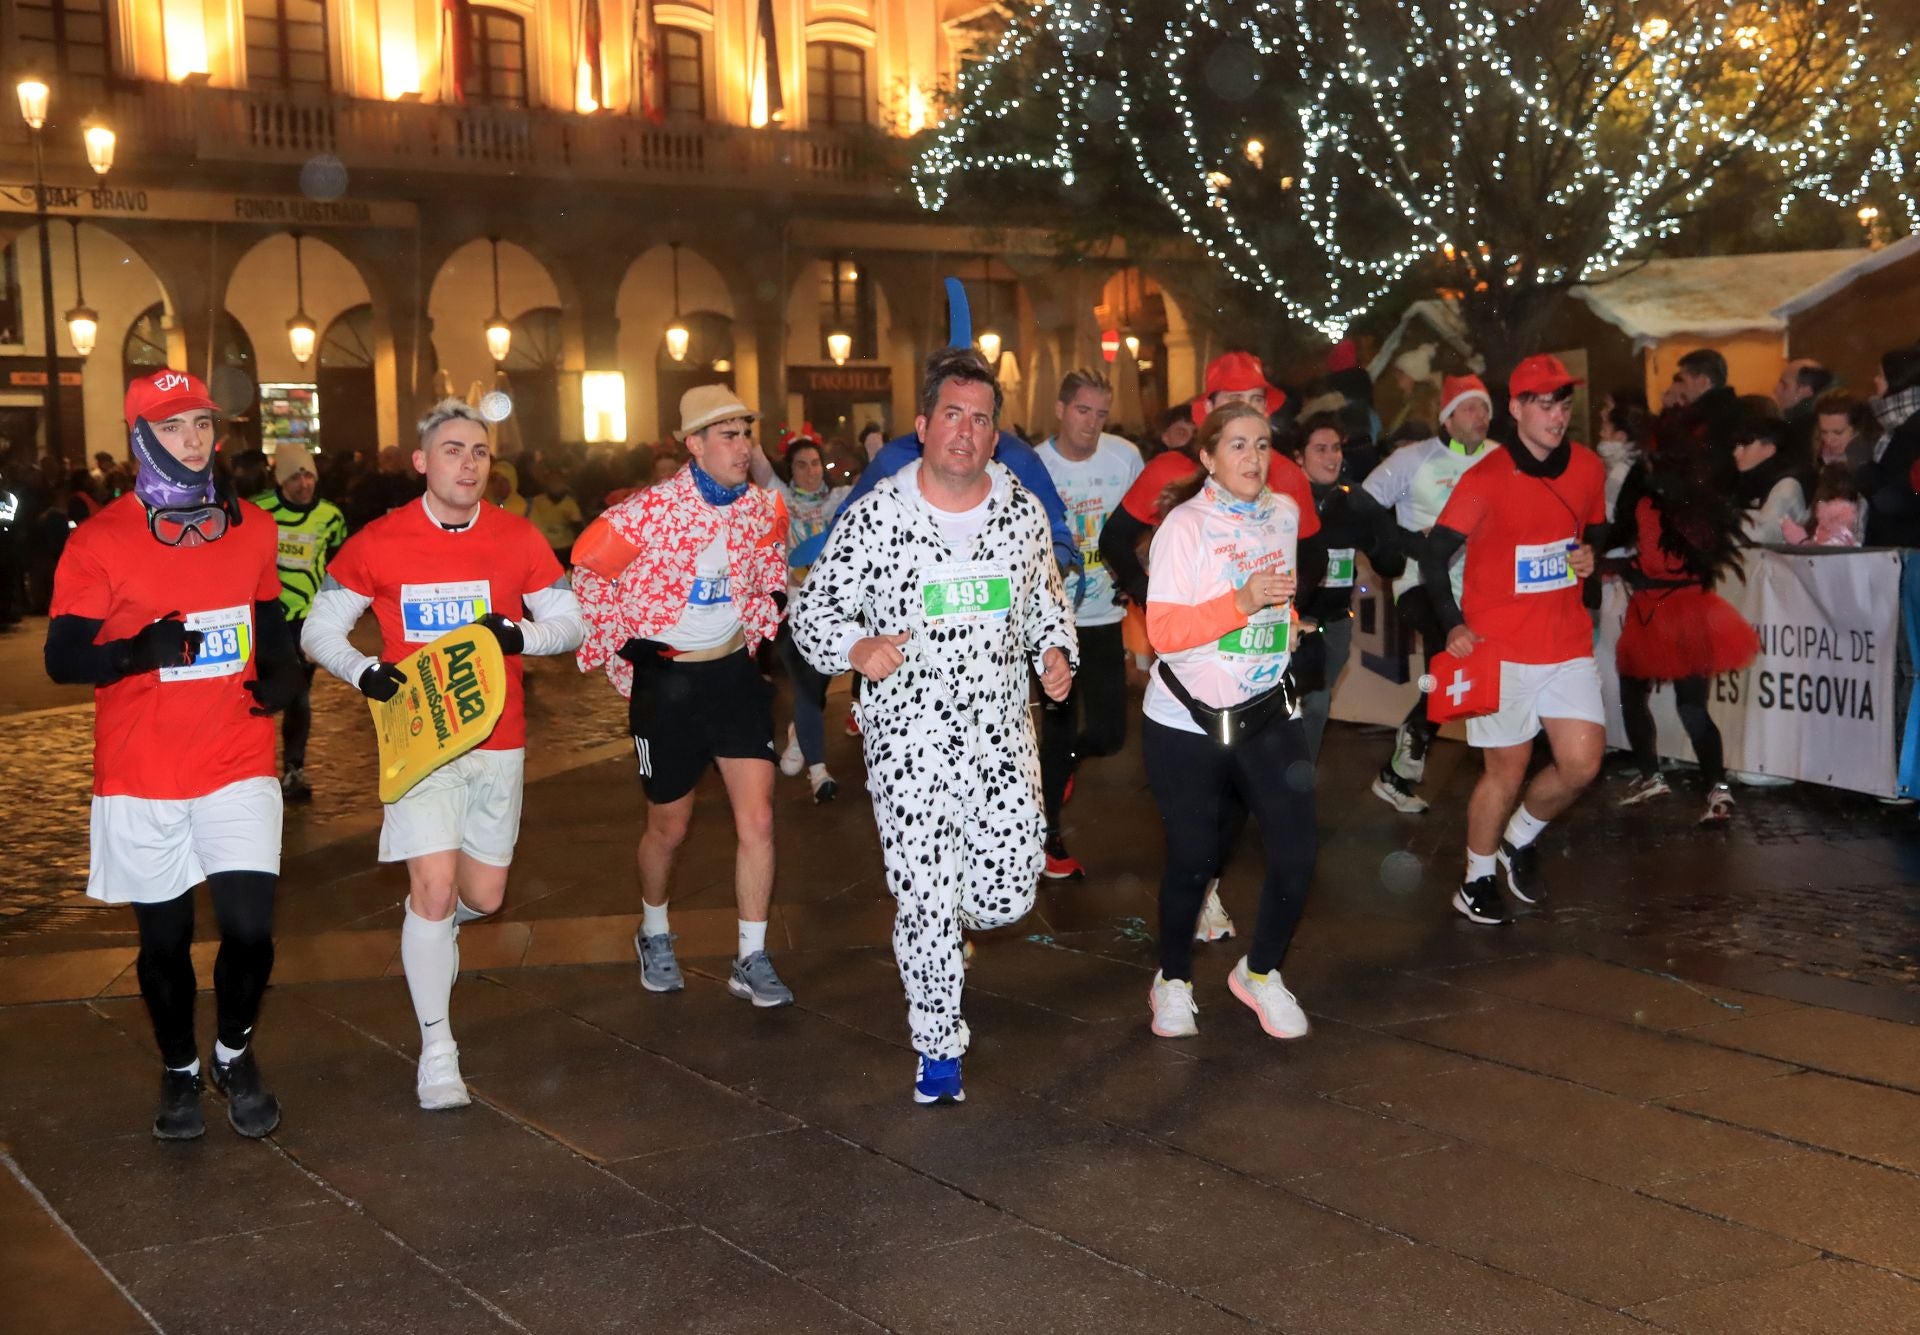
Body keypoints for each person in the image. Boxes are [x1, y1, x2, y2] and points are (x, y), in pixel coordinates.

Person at [793, 347, 1075, 1105]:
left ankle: (951, 920)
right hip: (909, 741)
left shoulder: (1018, 509)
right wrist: (858, 647)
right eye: (953, 414)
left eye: (981, 419)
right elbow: (811, 611)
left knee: (1012, 892)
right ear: (923, 426)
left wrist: (1053, 651)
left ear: (994, 436)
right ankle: (939, 1045)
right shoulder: (878, 515)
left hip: (1003, 739)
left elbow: (1047, 600)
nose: (967, 431)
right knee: (923, 897)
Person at [45, 370, 306, 1140]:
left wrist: (284, 673)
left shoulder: (254, 527)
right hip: (142, 771)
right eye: (172, 426)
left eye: (200, 423)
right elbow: (63, 657)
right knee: (163, 943)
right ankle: (180, 1067)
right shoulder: (98, 540)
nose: (193, 439)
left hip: (237, 756)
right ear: (140, 439)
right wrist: (138, 650)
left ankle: (234, 1050)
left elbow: (268, 621)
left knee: (251, 931)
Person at [303, 399, 585, 1109]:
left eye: (480, 452)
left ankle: (427, 926)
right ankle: (438, 1050)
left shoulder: (517, 536)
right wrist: (366, 673)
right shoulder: (379, 539)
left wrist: (519, 635)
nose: (468, 462)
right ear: (422, 462)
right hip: (419, 743)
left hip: (499, 740)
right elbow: (318, 628)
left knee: (481, 897)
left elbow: (572, 620)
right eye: (453, 449)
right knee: (433, 890)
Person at [570, 385, 794, 1008]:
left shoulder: (760, 508)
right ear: (694, 445)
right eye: (728, 435)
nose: (743, 446)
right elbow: (586, 571)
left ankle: (751, 954)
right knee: (670, 827)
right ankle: (655, 930)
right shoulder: (645, 514)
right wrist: (622, 642)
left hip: (735, 680)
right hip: (668, 686)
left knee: (759, 818)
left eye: (746, 433)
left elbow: (772, 561)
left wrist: (770, 603)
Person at [1097, 349, 1319, 939]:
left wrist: (1296, 616)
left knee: (1254, 809)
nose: (1250, 435)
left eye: (1258, 409)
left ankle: (1212, 887)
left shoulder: (1285, 484)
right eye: (1233, 406)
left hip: (1262, 684)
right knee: (1195, 812)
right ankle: (1199, 890)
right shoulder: (1171, 476)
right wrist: (1154, 599)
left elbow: (1306, 554)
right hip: (1189, 685)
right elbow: (1116, 538)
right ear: (1209, 418)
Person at [1140, 402, 1317, 1041]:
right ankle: (1174, 980)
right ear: (1208, 457)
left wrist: (1286, 626)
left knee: (1297, 854)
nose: (1254, 458)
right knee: (1193, 859)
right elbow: (1165, 633)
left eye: (1263, 445)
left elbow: (1282, 599)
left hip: (1267, 709)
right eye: (1238, 445)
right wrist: (1240, 603)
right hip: (1185, 720)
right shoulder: (1183, 529)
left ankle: (1260, 972)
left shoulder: (1284, 516)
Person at [1420, 355, 1609, 926]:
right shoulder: (1486, 479)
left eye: (1564, 404)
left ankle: (1519, 838)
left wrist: (1588, 557)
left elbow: (1593, 534)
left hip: (1567, 641)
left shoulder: (1589, 469)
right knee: (1505, 771)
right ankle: (1474, 879)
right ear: (1518, 408)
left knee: (1581, 765)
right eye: (1544, 404)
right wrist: (1453, 624)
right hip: (1499, 649)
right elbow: (1433, 558)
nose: (1557, 415)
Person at [1360, 373, 1500, 815]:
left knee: (1470, 671)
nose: (1481, 417)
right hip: (1418, 583)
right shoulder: (1414, 459)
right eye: (1470, 408)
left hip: (1482, 589)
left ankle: (1402, 767)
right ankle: (1414, 740)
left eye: (1485, 409)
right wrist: (1408, 543)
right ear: (1448, 417)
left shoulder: (1500, 458)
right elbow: (1362, 506)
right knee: (1448, 653)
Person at [1613, 438, 1757, 823]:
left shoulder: (1646, 506)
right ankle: (1718, 790)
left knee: (1632, 693)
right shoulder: (1703, 507)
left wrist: (1625, 569)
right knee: (1693, 707)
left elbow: (1653, 564)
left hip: (1655, 612)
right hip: (1694, 611)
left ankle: (1650, 775)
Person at [1035, 369, 1143, 878]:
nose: (1092, 423)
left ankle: (1064, 767)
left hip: (1104, 615)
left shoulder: (1124, 457)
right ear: (1060, 409)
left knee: (1110, 732)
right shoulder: (1034, 464)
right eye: (1083, 411)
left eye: (1101, 413)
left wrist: (1135, 572)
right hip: (1053, 623)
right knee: (1056, 730)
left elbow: (1144, 525)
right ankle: (1049, 836)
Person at [1289, 412, 1403, 759]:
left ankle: (1293, 776)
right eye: (1320, 449)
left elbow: (1391, 563)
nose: (1331, 457)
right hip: (1293, 621)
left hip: (1336, 621)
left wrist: (1376, 527)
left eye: (1336, 448)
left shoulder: (1353, 499)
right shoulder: (1285, 500)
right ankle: (1287, 780)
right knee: (1305, 702)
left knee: (1315, 701)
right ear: (1299, 457)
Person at [748, 424, 850, 802]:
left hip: (838, 613)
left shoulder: (840, 498)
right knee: (807, 689)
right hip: (794, 614)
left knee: (818, 687)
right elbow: (756, 460)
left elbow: (882, 480)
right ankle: (819, 774)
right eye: (802, 464)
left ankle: (798, 735)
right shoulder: (778, 497)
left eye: (816, 463)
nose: (811, 470)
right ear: (790, 470)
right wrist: (742, 422)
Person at [253, 443, 348, 802]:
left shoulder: (331, 516)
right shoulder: (260, 510)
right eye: (295, 476)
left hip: (306, 620)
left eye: (308, 474)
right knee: (259, 693)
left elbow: (337, 562)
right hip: (265, 617)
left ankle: (294, 769)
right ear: (281, 479)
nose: (304, 483)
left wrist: (333, 611)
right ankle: (253, 769)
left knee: (298, 695)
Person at [1859, 344, 1920, 547]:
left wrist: (1871, 478)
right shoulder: (1892, 425)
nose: (1875, 380)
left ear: (1897, 381)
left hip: (1905, 545)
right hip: (1894, 541)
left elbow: (1907, 492)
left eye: (1881, 375)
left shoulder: (1912, 428)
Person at [1730, 408, 1810, 545]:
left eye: (1745, 446)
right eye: (1736, 446)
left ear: (1769, 449)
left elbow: (1766, 535)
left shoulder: (1787, 485)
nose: (1736, 453)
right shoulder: (1751, 482)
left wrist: (1724, 524)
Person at [527, 468, 584, 567]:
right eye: (552, 481)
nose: (555, 484)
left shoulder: (570, 504)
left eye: (558, 481)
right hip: (544, 548)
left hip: (565, 549)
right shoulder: (537, 501)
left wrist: (571, 522)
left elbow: (578, 528)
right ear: (546, 483)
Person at [1811, 392, 1877, 473]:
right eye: (1824, 432)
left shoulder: (1874, 463)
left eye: (1838, 433)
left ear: (1858, 429)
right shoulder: (1818, 459)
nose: (1828, 440)